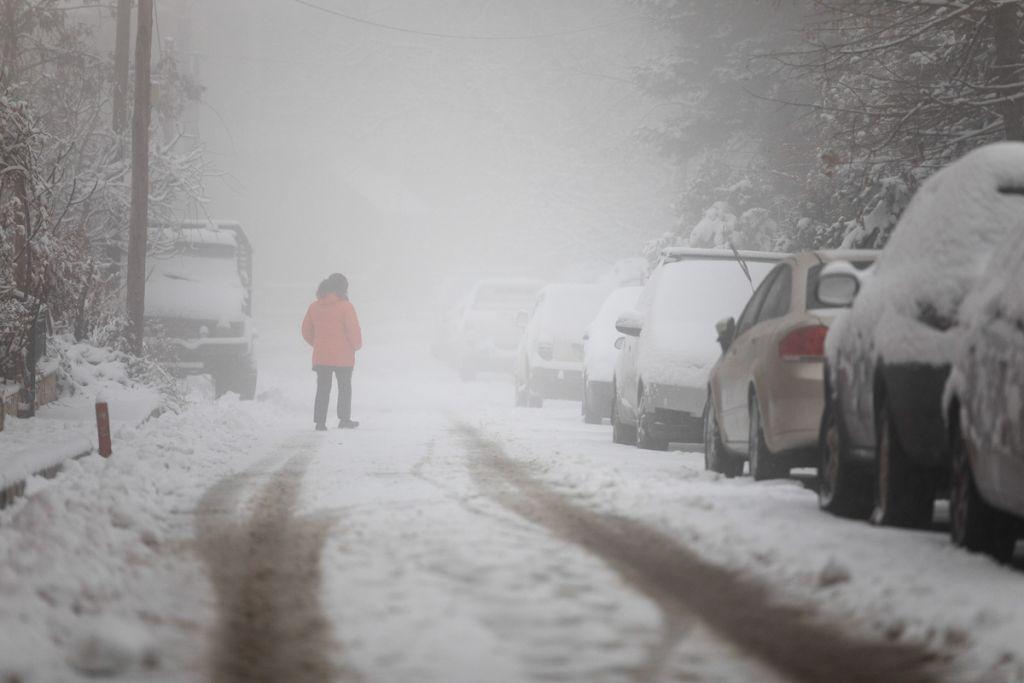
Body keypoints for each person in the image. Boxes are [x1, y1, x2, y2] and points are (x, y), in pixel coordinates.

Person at [301, 273, 363, 431]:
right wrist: (356, 346)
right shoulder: (346, 307)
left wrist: (317, 343)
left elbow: (306, 331)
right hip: (343, 356)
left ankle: (320, 422)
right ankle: (344, 419)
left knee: (322, 388)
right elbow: (353, 330)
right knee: (344, 388)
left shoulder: (314, 307)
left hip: (322, 357)